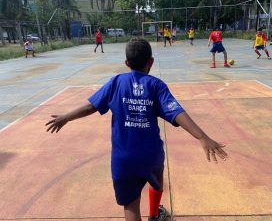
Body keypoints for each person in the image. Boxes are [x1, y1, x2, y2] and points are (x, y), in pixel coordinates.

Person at [45, 38, 228, 221]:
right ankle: (155, 216)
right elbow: (176, 112)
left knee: (131, 205)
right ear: (151, 62)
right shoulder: (156, 85)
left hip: (123, 159)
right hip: (151, 155)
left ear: (126, 63)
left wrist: (65, 117)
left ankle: (151, 214)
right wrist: (202, 137)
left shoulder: (116, 82)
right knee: (156, 182)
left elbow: (90, 106)